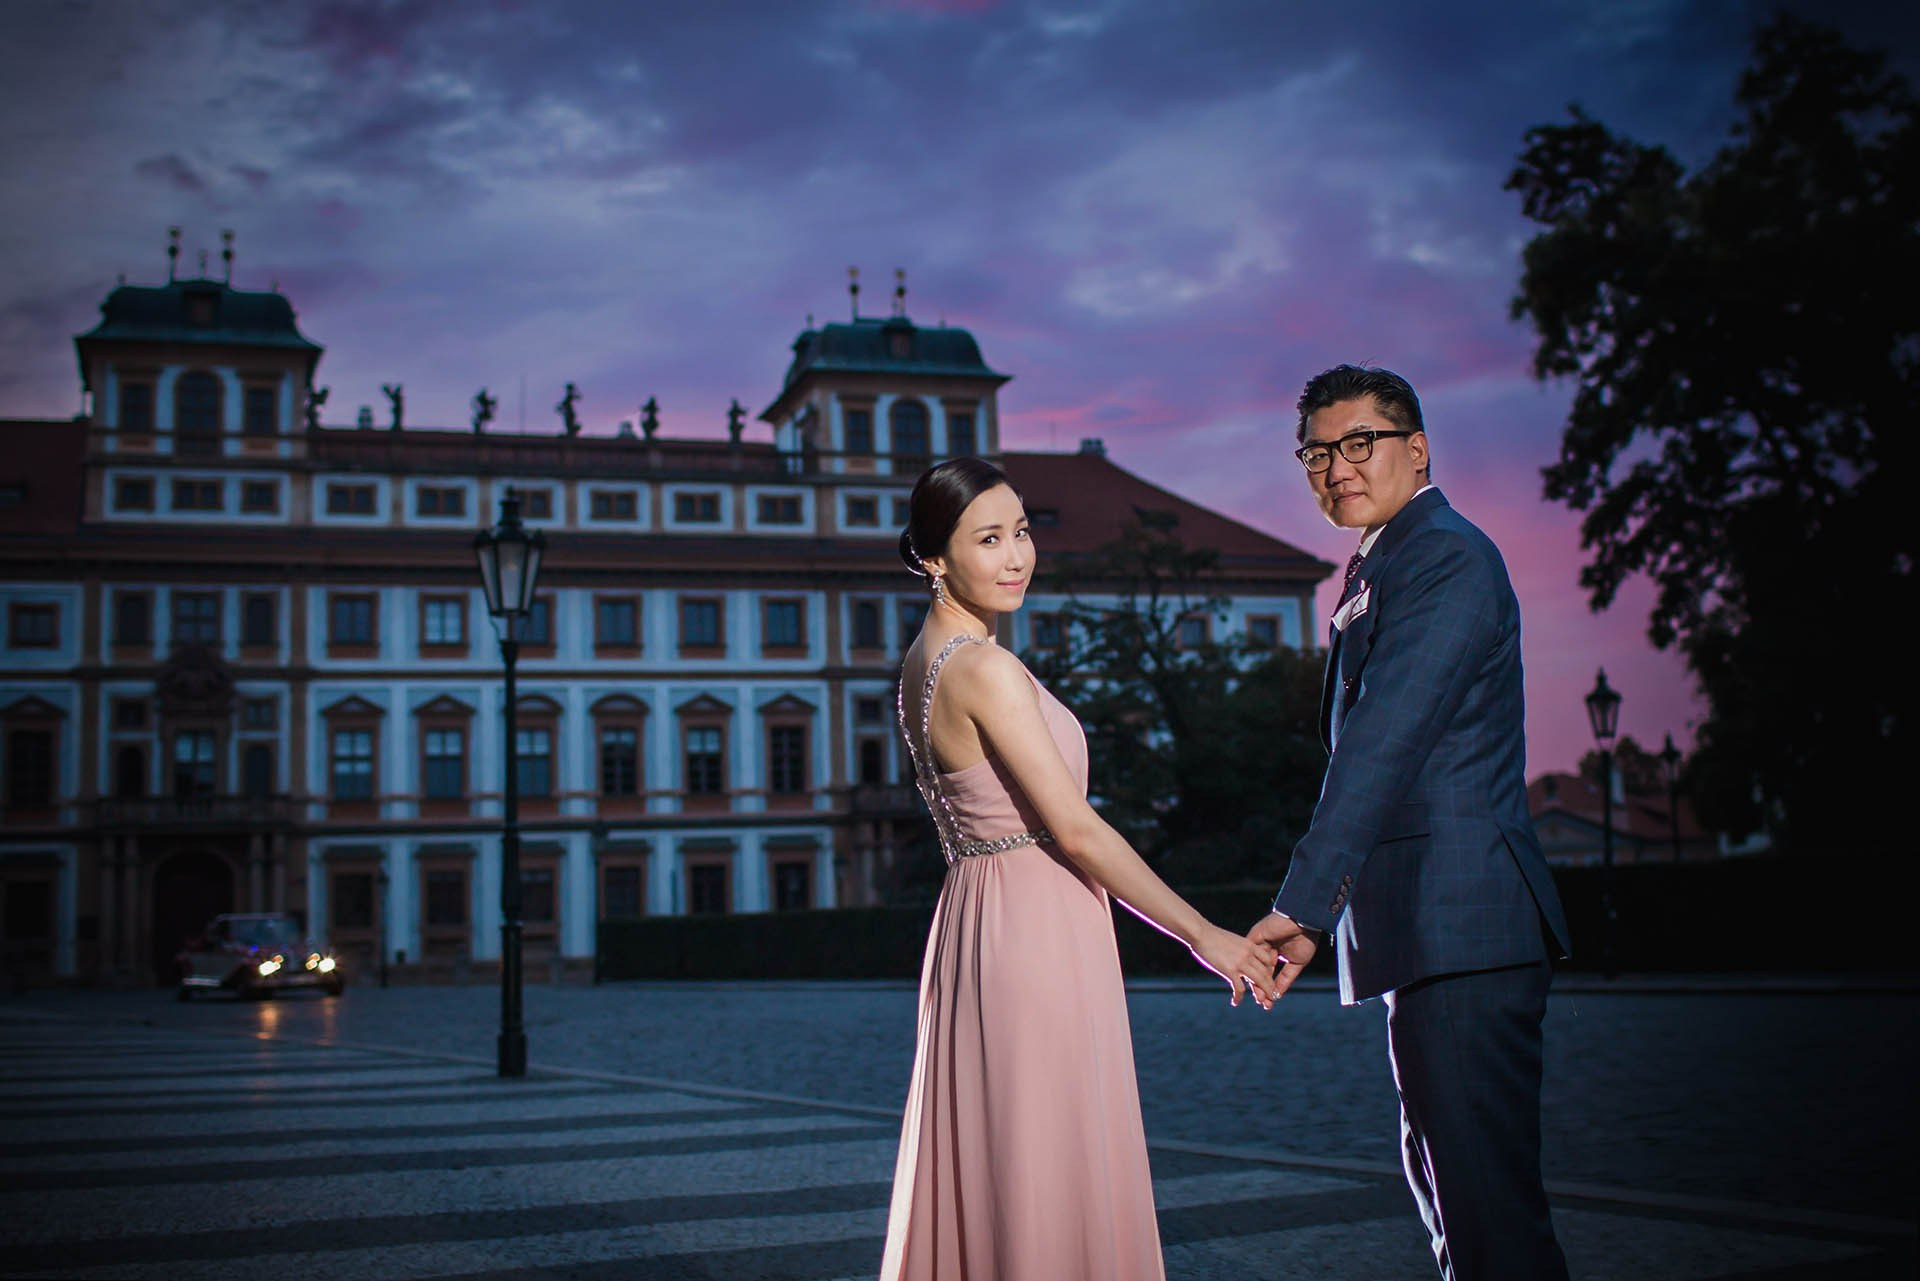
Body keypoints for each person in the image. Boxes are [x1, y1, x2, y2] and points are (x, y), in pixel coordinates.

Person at [880, 456, 1279, 1281]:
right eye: (989, 539)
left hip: (976, 920)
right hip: (1034, 926)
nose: (1018, 555)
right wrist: (1204, 933)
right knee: (1046, 1162)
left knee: (1004, 1159)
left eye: (1021, 531)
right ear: (934, 557)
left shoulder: (923, 662)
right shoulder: (984, 668)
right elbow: (1077, 831)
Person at [1250, 365, 1574, 1281]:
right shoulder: (1387, 559)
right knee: (1456, 1205)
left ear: (1417, 447)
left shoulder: (1444, 556)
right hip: (1431, 937)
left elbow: (1381, 744)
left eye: (1360, 443)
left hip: (1463, 928)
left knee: (1488, 1223)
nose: (1336, 467)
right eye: (1316, 452)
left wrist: (1305, 907)